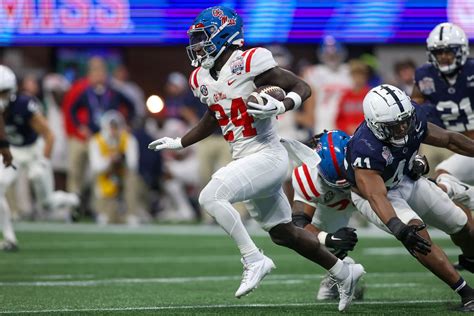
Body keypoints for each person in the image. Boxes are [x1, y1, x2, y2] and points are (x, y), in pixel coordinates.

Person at [148, 6, 364, 312]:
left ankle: (253, 258)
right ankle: (345, 273)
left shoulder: (250, 60)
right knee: (283, 233)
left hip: (266, 153)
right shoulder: (200, 78)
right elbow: (214, 114)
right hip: (245, 157)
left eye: (203, 37)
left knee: (211, 197)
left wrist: (283, 105)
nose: (197, 45)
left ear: (223, 35)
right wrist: (181, 141)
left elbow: (302, 87)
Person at [345, 84, 474, 312]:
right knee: (417, 237)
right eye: (395, 126)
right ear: (376, 125)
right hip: (378, 196)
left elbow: (449, 140)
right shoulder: (365, 146)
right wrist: (398, 227)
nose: (404, 128)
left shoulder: (409, 115)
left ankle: (472, 259)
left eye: (406, 121)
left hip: (405, 179)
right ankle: (466, 293)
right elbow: (376, 196)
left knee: (461, 223)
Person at [0, 66, 78, 250]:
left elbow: (49, 135)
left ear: (11, 91)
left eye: (2, 92)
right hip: (15, 151)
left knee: (47, 202)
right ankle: (10, 238)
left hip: (35, 150)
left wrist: (43, 161)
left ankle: (73, 200)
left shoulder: (23, 104)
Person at [291, 130, 363, 301]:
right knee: (314, 243)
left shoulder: (367, 153)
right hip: (334, 206)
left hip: (372, 192)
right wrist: (329, 238)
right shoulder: (308, 175)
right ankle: (340, 273)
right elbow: (299, 223)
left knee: (406, 225)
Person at [411, 22, 474, 214]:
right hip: (453, 141)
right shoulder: (424, 75)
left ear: (461, 51)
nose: (443, 57)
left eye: (449, 51)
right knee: (445, 176)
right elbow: (415, 106)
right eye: (439, 52)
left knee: (446, 176)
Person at [88, 110, 140, 226]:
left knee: (132, 179)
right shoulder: (96, 141)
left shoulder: (128, 139)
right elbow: (96, 167)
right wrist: (109, 161)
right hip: (106, 175)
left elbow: (132, 164)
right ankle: (102, 212)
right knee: (95, 177)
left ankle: (131, 213)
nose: (113, 130)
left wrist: (121, 158)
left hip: (122, 174)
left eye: (116, 126)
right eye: (111, 126)